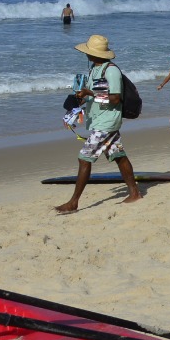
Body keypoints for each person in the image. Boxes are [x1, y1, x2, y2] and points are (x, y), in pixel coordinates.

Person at [54, 35, 141, 213]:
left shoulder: (112, 71)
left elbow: (116, 98)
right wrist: (81, 98)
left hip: (107, 122)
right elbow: (98, 94)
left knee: (84, 158)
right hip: (99, 120)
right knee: (119, 156)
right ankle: (135, 193)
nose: (86, 55)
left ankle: (73, 202)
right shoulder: (95, 69)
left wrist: (91, 94)